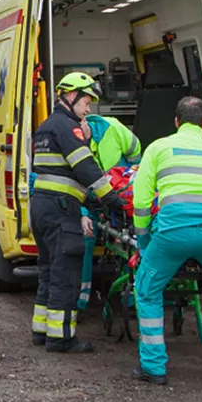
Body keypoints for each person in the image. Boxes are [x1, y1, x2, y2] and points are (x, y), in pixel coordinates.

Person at [132, 97, 202, 387]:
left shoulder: (158, 148)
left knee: (147, 290)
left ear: (176, 121)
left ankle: (154, 367)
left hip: (172, 234)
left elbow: (142, 200)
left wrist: (144, 240)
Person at [29, 72, 123, 352]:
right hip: (61, 210)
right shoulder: (69, 128)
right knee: (66, 275)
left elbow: (65, 175)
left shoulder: (46, 127)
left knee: (48, 271)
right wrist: (113, 200)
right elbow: (86, 169)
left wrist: (93, 204)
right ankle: (61, 339)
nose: (88, 108)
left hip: (43, 206)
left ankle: (42, 331)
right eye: (86, 101)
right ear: (71, 96)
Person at [77, 114, 141, 311]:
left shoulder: (112, 128)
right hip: (91, 202)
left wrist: (128, 178)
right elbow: (72, 185)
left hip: (119, 197)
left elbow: (135, 151)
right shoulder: (69, 142)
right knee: (84, 240)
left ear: (85, 120)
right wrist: (83, 214)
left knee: (130, 241)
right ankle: (81, 301)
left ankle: (130, 299)